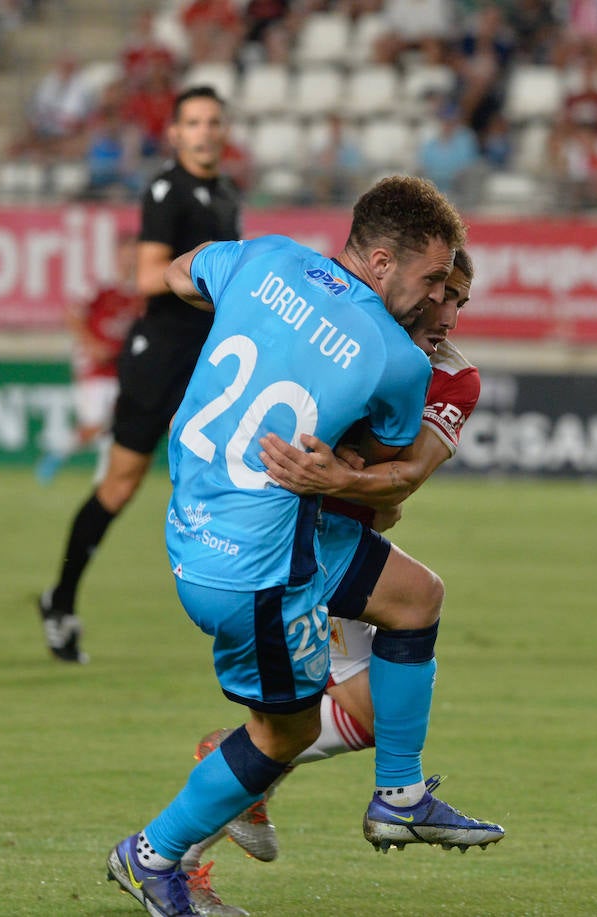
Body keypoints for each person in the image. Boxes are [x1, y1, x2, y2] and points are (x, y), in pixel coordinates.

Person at [104, 178, 503, 916]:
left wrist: (255, 316)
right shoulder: (398, 359)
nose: (436, 300)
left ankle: (401, 792)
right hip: (258, 566)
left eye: (452, 290)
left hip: (215, 520)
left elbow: (175, 271)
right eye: (430, 282)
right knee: (281, 733)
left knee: (417, 599)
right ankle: (153, 855)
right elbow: (387, 472)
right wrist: (339, 471)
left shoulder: (267, 259)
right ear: (382, 263)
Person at [179, 250, 481, 914]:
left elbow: (401, 478)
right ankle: (183, 851)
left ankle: (242, 778)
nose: (450, 314)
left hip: (344, 540)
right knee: (295, 726)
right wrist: (361, 481)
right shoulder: (340, 335)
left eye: (461, 300)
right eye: (441, 292)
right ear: (406, 282)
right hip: (291, 547)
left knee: (364, 712)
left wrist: (354, 478)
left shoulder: (453, 380)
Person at [37, 85, 240, 664]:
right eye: (192, 122)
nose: (203, 131)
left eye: (212, 122)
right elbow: (149, 276)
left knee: (236, 476)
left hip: (209, 355)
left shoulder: (224, 194)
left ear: (223, 132)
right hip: (161, 356)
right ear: (175, 134)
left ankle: (251, 611)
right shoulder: (166, 189)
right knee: (120, 485)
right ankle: (62, 599)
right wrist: (217, 278)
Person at [35, 233, 144, 485]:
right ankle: (57, 452)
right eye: (127, 253)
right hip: (95, 368)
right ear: (117, 255)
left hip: (122, 369)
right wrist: (91, 345)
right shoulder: (101, 286)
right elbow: (72, 314)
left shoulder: (140, 293)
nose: (131, 259)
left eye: (135, 253)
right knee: (94, 426)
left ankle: (103, 480)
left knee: (115, 427)